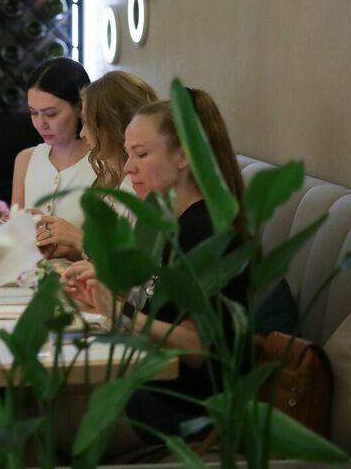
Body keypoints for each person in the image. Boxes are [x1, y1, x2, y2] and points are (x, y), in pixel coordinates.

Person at [64, 88, 248, 445]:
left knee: (29, 417)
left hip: (188, 412)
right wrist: (103, 292)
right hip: (154, 387)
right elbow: (162, 313)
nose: (128, 167)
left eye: (142, 154)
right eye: (129, 153)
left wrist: (120, 313)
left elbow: (198, 348)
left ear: (184, 156)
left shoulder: (206, 230)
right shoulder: (173, 222)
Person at [34, 71, 158, 261]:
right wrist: (68, 249)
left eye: (87, 123)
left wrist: (79, 239)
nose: (82, 133)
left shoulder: (140, 189)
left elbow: (134, 268)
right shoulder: (116, 181)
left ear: (111, 125)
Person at [11, 57, 95, 228]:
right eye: (33, 113)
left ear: (80, 107)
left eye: (51, 114)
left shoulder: (104, 164)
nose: (40, 124)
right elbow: (13, 234)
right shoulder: (26, 159)